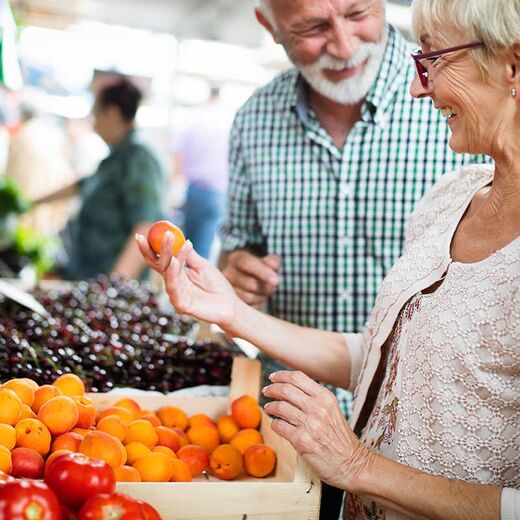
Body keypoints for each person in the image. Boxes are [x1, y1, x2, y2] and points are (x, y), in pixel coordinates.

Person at [136, 0, 520, 517]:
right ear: (271, 28)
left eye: (436, 61)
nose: (417, 86)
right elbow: (395, 358)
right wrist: (235, 312)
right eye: (314, 27)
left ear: (513, 66)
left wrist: (357, 465)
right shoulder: (454, 196)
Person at [218, 1, 486, 515]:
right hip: (284, 439)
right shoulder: (254, 121)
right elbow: (238, 243)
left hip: (422, 454)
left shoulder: (458, 92)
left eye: (358, 13)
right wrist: (238, 270)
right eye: (313, 28)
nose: (343, 46)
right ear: (269, 27)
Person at [37, 78, 166, 280]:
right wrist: (30, 203)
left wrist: (114, 285)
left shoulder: (139, 159)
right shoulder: (115, 158)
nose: (94, 124)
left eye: (95, 115)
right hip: (87, 275)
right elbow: (83, 185)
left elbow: (146, 224)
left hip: (107, 286)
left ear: (112, 114)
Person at [171, 86, 233, 260]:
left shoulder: (194, 118)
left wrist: (174, 189)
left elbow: (178, 156)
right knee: (201, 254)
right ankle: (194, 285)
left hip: (192, 190)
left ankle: (183, 284)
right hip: (216, 193)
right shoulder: (228, 121)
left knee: (184, 248)